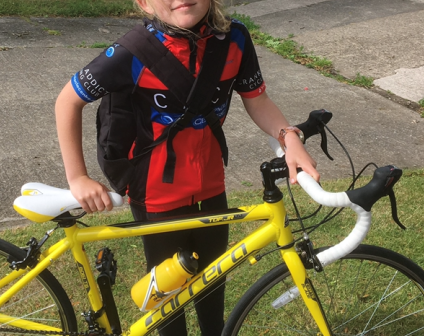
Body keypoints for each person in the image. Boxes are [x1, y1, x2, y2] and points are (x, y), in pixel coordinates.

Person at [55, 0, 320, 334]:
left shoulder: (234, 39)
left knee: (212, 285)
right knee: (169, 301)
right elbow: (68, 99)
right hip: (155, 196)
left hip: (211, 186)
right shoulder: (131, 52)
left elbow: (257, 99)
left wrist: (288, 137)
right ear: (144, 3)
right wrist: (77, 176)